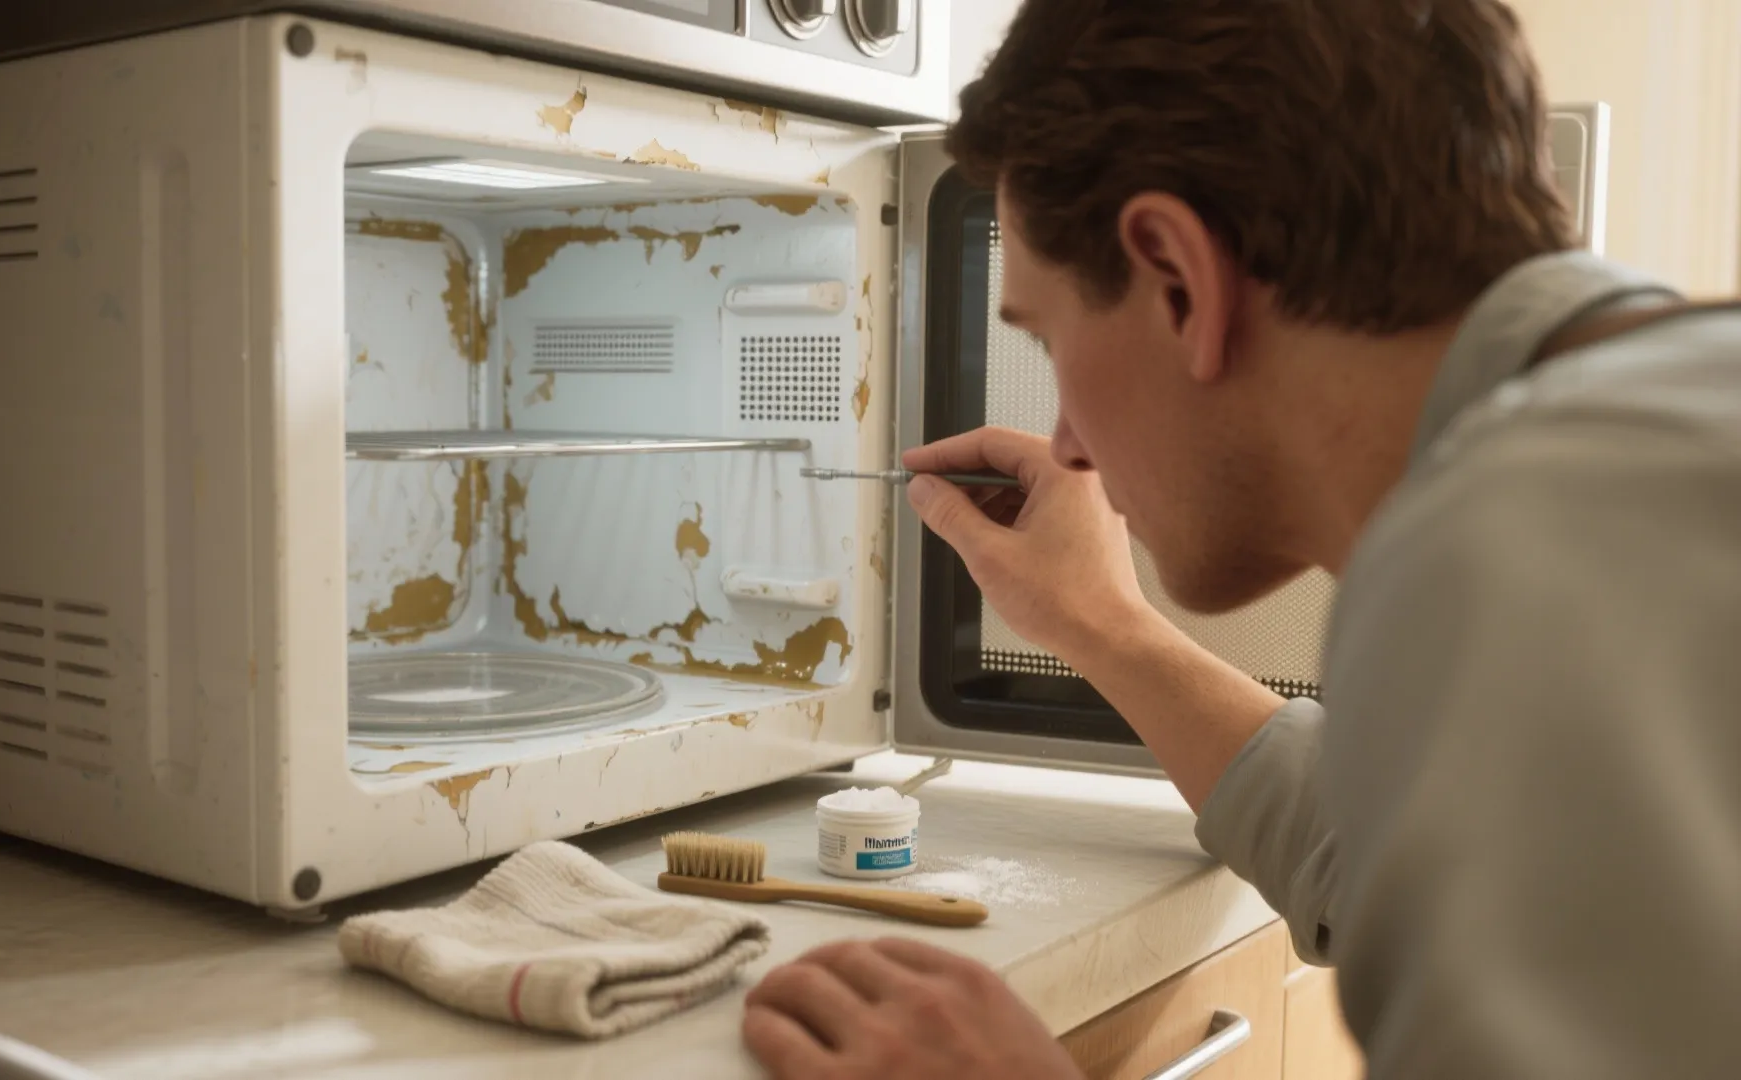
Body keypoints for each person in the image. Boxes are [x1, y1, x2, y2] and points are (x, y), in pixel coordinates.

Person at [738, 0, 1741, 1076]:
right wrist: (1100, 625)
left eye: (1047, 334)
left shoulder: (1504, 548)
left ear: (1177, 278)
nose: (1068, 445)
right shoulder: (1651, 443)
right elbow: (1417, 860)